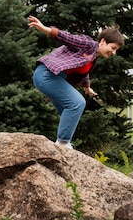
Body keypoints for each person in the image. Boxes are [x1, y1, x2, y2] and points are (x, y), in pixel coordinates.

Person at [28, 15, 124, 149]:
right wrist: (45, 29)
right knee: (77, 103)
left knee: (69, 112)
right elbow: (67, 38)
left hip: (50, 77)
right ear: (102, 41)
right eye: (112, 48)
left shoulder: (92, 58)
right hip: (46, 75)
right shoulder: (88, 44)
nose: (113, 52)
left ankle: (62, 143)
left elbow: (83, 72)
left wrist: (87, 87)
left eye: (115, 50)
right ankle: (62, 143)